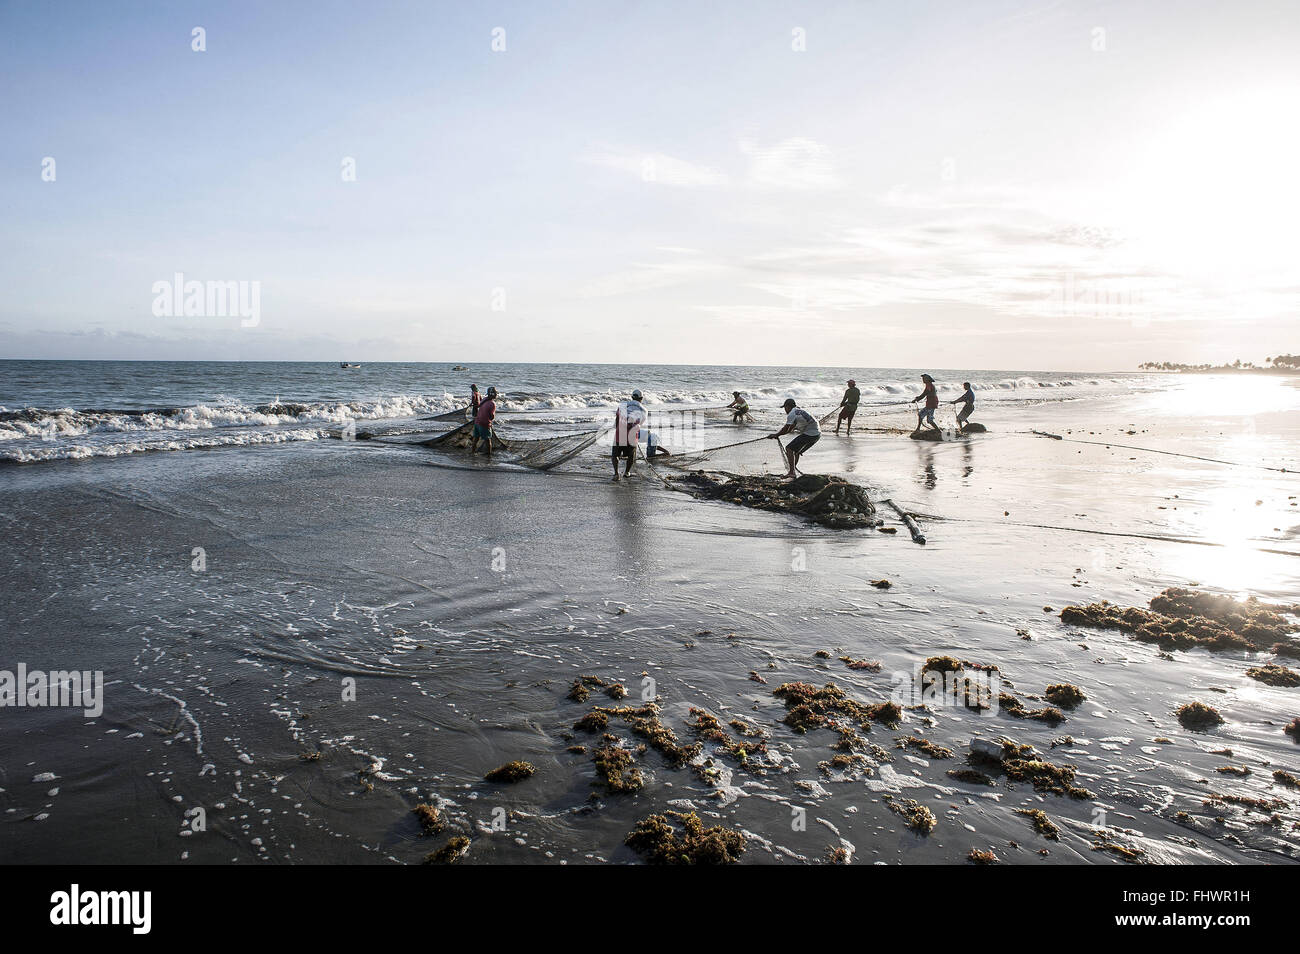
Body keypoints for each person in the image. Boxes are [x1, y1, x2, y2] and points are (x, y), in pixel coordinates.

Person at [768, 397, 820, 478]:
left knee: (789, 448)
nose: (785, 410)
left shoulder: (792, 413)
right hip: (817, 434)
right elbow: (789, 429)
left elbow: (786, 427)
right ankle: (792, 470)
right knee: (796, 452)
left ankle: (792, 472)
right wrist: (778, 435)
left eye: (785, 407)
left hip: (810, 433)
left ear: (788, 406)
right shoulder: (798, 411)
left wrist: (776, 435)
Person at [611, 389, 647, 481]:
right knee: (631, 455)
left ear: (632, 397)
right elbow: (640, 423)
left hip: (620, 433)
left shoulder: (622, 406)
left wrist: (616, 427)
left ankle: (616, 474)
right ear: (641, 398)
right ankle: (627, 472)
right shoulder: (644, 410)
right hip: (631, 436)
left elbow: (617, 418)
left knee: (615, 454)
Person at [470, 386, 497, 456]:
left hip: (477, 422)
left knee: (476, 439)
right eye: (496, 394)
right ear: (493, 395)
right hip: (484, 424)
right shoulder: (492, 404)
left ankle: (472, 452)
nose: (497, 395)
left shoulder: (484, 399)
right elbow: (492, 417)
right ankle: (489, 455)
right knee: (488, 440)